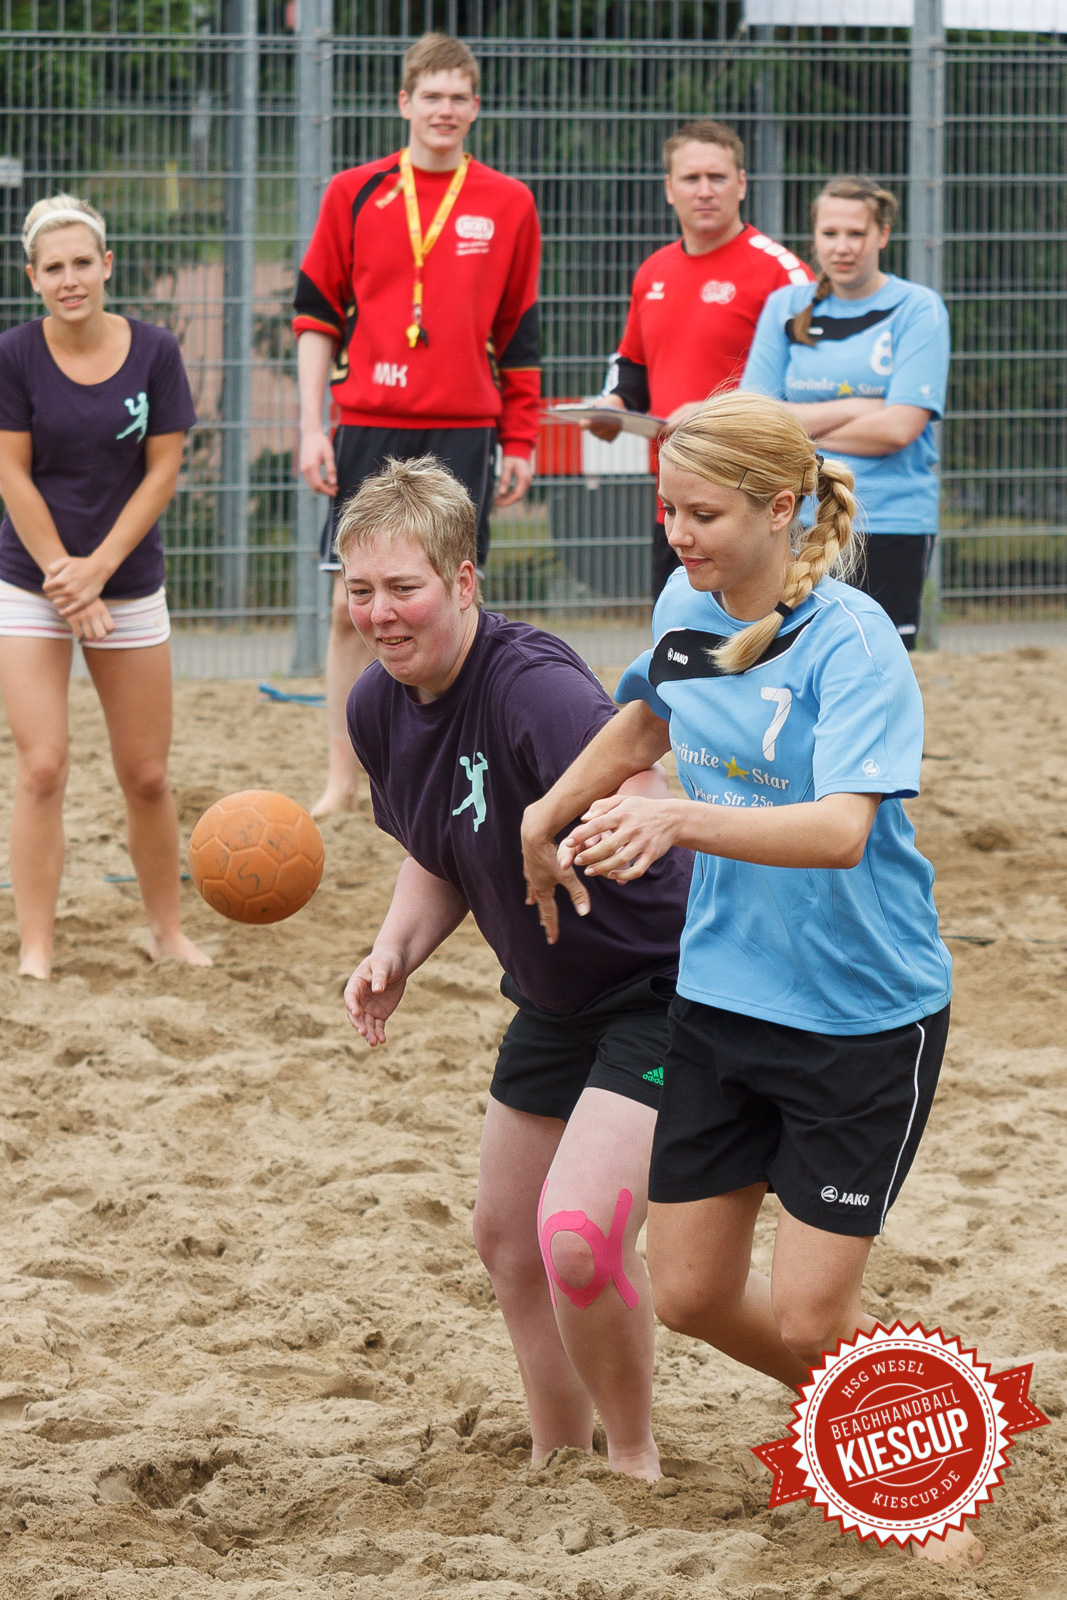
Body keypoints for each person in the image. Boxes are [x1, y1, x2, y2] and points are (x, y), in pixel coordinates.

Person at [522, 393, 980, 1569]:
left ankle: (917, 1461)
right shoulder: (688, 605)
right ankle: (903, 1406)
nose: (677, 534)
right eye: (667, 509)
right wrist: (547, 810)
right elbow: (643, 721)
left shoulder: (851, 641)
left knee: (811, 1312)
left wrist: (679, 818)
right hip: (722, 999)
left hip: (860, 1013)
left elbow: (837, 830)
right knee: (686, 1294)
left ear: (779, 508)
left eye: (703, 514)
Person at [339, 456, 693, 1480]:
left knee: (576, 1238)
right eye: (360, 590)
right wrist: (394, 950)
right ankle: (555, 1456)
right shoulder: (375, 706)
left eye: (402, 587)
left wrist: (601, 826)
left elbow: (642, 783)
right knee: (506, 1239)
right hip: (553, 998)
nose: (380, 613)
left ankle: (632, 1461)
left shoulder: (531, 686)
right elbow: (438, 846)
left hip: (664, 985)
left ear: (463, 582)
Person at [293, 31, 541, 818]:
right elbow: (314, 317)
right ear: (404, 102)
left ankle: (447, 768)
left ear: (476, 107)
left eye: (458, 97)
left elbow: (520, 334)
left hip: (465, 428)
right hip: (367, 423)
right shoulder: (353, 192)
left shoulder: (509, 202)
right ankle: (343, 777)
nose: (444, 110)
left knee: (451, 608)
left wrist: (522, 439)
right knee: (350, 607)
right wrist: (310, 426)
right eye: (430, 96)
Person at [0, 194, 210, 980]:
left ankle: (167, 932)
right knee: (42, 766)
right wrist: (68, 579)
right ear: (32, 277)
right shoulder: (14, 354)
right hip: (33, 584)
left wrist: (98, 572)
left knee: (147, 775)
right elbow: (11, 474)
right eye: (53, 267)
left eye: (82, 262)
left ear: (107, 265)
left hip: (125, 582)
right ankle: (37, 948)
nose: (70, 278)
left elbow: (162, 473)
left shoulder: (155, 350)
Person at [589, 119, 813, 599]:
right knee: (678, 635)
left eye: (718, 177)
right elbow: (632, 365)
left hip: (750, 506)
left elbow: (811, 385)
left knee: (762, 634)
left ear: (742, 184)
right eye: (691, 178)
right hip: (676, 506)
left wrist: (716, 413)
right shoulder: (653, 271)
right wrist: (614, 405)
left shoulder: (783, 273)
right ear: (669, 189)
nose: (705, 190)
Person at [741, 175, 950, 650]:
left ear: (882, 235)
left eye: (856, 233)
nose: (842, 247)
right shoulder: (785, 306)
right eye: (830, 233)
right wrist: (858, 407)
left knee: (877, 662)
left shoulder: (918, 308)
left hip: (888, 520)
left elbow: (898, 429)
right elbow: (756, 418)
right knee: (793, 659)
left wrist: (800, 427)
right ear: (814, 236)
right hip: (795, 519)